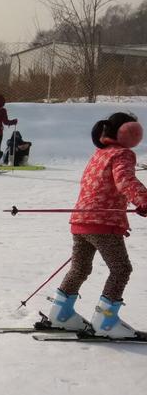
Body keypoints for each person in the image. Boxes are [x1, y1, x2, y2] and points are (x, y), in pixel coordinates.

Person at [47, 112, 147, 338]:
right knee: (121, 269)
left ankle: (61, 313)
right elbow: (125, 180)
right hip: (102, 222)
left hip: (81, 219)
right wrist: (143, 200)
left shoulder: (99, 153)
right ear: (127, 132)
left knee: (80, 268)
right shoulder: (123, 154)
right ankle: (105, 322)